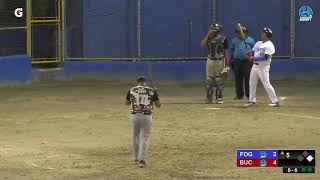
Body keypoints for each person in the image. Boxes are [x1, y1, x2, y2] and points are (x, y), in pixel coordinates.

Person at [125, 76, 161, 168]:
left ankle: (136, 157)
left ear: (137, 82)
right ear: (145, 82)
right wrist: (156, 93)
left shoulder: (132, 89)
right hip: (147, 115)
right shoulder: (151, 90)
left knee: (135, 136)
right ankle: (142, 160)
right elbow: (158, 105)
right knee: (144, 137)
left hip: (134, 115)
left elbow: (126, 103)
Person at [244, 28, 280, 107]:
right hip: (255, 66)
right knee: (252, 83)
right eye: (262, 33)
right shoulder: (258, 43)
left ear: (267, 35)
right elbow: (252, 54)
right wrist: (248, 52)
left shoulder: (270, 45)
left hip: (263, 67)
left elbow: (266, 57)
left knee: (266, 84)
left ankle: (275, 101)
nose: (262, 34)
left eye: (264, 33)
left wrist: (254, 58)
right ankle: (252, 100)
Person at [200, 23, 230, 104]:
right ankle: (209, 97)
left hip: (220, 60)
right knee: (209, 79)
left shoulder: (223, 38)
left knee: (219, 79)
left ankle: (219, 97)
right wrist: (207, 34)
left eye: (214, 29)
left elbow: (226, 52)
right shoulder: (208, 38)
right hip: (210, 60)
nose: (212, 31)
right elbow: (202, 44)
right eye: (211, 29)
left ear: (218, 30)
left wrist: (227, 65)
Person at [230, 26, 255, 100]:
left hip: (247, 62)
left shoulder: (250, 40)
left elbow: (252, 52)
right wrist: (231, 61)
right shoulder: (234, 40)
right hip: (237, 61)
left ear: (245, 33)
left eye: (241, 32)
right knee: (238, 79)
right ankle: (239, 95)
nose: (239, 34)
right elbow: (232, 51)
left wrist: (251, 60)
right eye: (238, 33)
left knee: (248, 79)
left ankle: (249, 95)